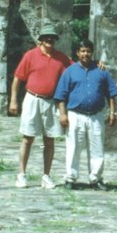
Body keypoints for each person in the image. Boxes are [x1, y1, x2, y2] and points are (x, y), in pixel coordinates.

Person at [8, 23, 71, 189]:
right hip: (32, 99)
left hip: (51, 102)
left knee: (49, 140)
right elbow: (17, 78)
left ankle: (46, 175)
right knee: (27, 138)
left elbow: (77, 69)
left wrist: (96, 64)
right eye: (46, 38)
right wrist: (13, 100)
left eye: (52, 38)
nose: (49, 40)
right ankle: (21, 174)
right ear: (41, 40)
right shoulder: (30, 55)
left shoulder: (61, 58)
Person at [54, 39, 117, 190]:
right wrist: (62, 115)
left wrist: (112, 112)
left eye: (88, 51)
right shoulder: (69, 72)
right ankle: (70, 178)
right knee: (73, 147)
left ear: (92, 53)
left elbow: (111, 93)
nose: (86, 54)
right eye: (82, 51)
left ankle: (96, 179)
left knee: (97, 148)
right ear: (77, 53)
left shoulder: (101, 70)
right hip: (76, 115)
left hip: (96, 115)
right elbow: (60, 96)